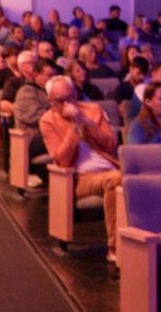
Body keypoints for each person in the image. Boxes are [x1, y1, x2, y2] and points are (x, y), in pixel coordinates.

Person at [39, 77, 123, 263]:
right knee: (116, 179)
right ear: (51, 102)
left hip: (109, 168)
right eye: (60, 101)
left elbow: (110, 144)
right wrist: (74, 127)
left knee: (129, 180)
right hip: (77, 178)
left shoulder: (93, 110)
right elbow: (62, 159)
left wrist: (84, 120)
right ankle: (115, 248)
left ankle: (146, 247)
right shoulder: (47, 121)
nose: (67, 103)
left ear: (76, 94)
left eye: (70, 97)